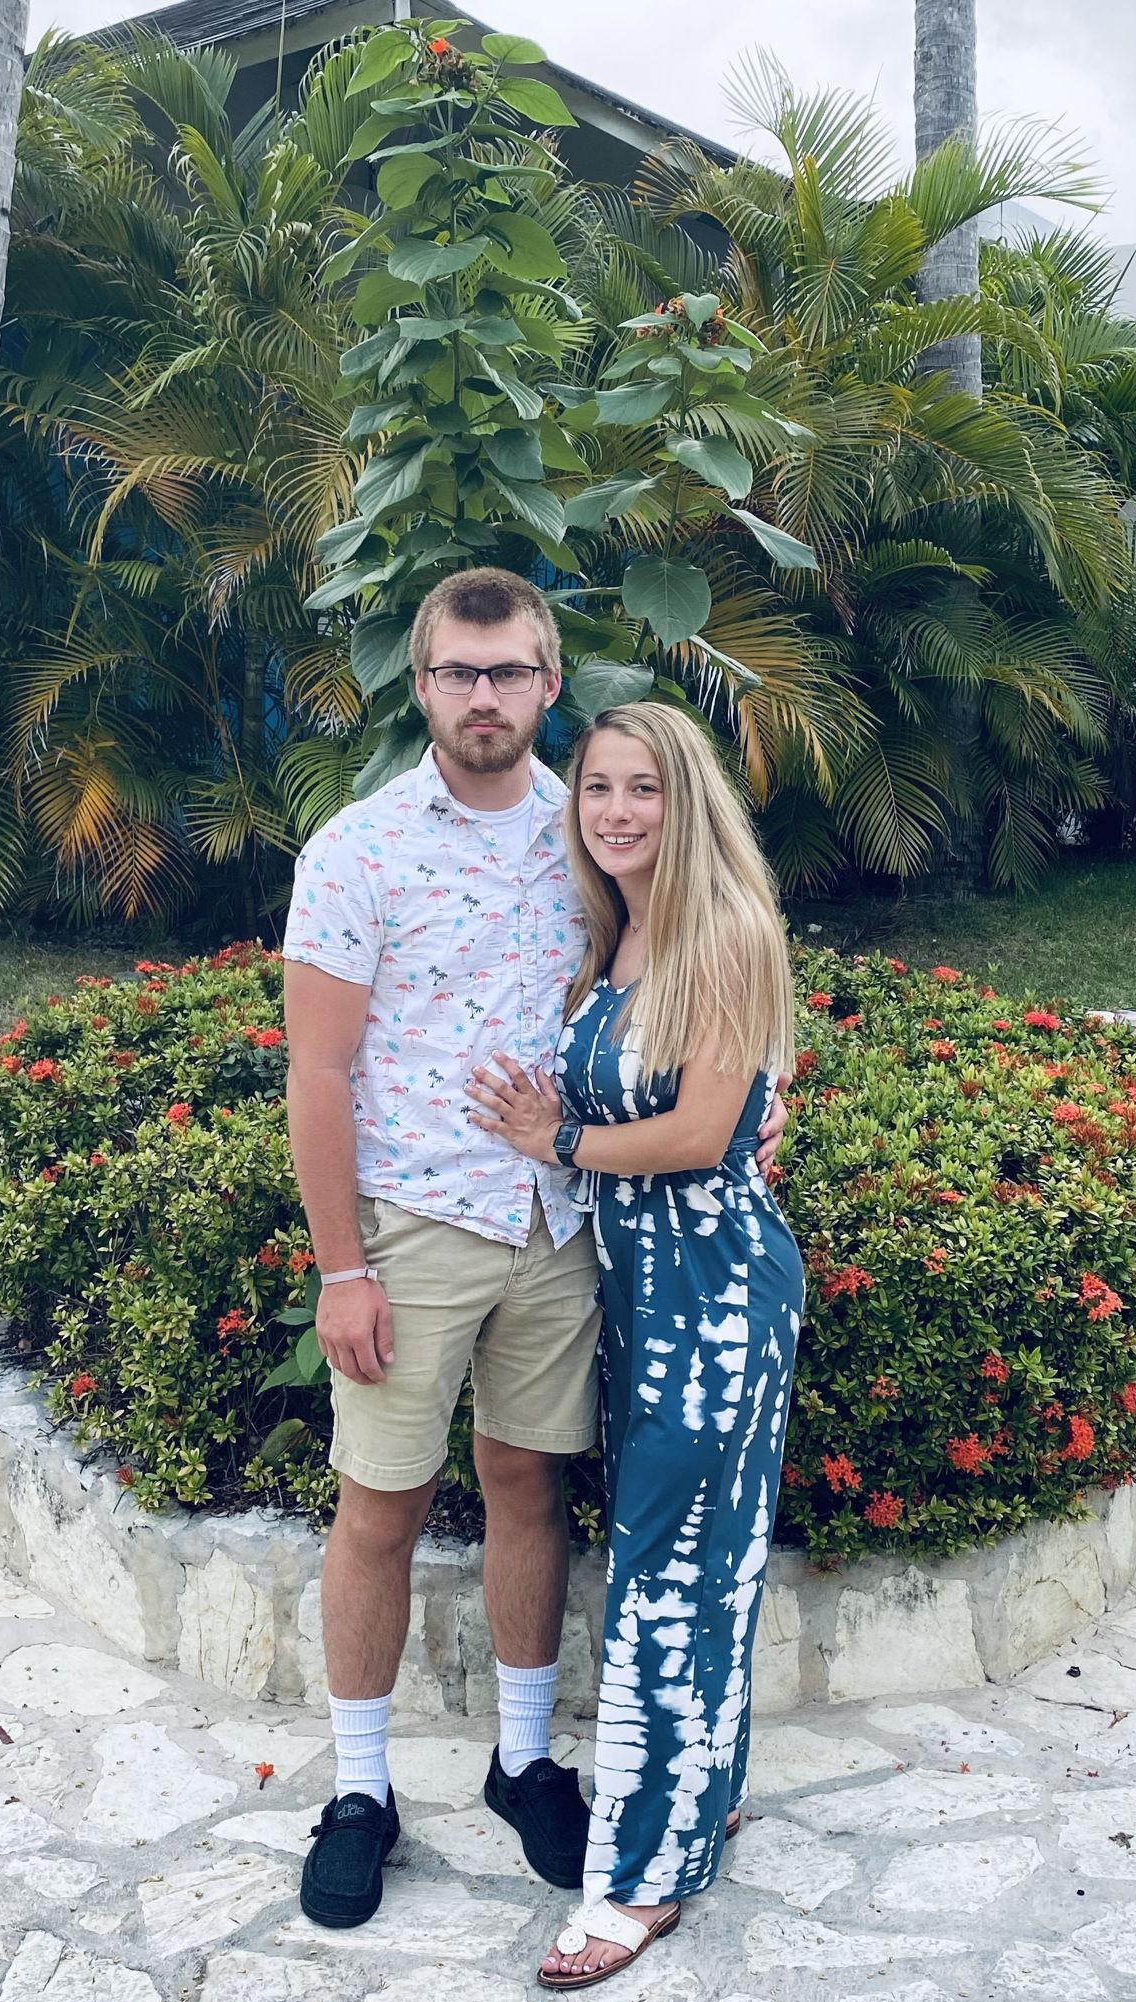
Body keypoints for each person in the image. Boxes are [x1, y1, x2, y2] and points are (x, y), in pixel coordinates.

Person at [281, 568, 784, 1930]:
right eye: (458, 672)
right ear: (422, 685)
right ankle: (361, 1791)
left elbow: (700, 978)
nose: (484, 696)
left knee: (528, 1487)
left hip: (565, 1231)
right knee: (380, 1504)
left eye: (509, 672)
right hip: (419, 1226)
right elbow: (317, 1074)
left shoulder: (595, 831)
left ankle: (521, 1762)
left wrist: (757, 1102)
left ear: (550, 683)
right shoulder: (357, 852)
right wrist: (342, 1269)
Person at [466, 701, 803, 1991]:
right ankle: (701, 1798)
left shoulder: (723, 931)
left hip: (716, 1297)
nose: (615, 811)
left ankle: (641, 1879)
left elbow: (700, 1135)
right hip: (643, 1301)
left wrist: (554, 1139)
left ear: (688, 802)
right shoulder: (621, 932)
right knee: (696, 1562)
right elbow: (739, 1088)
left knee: (668, 1576)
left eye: (643, 788)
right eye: (598, 787)